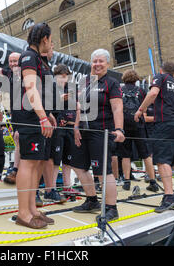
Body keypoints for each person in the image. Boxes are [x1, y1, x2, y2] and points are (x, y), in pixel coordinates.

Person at [71, 48, 125, 222]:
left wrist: (119, 129)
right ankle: (92, 200)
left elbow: (117, 107)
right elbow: (80, 106)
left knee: (103, 171)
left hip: (101, 131)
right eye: (94, 61)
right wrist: (76, 127)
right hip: (84, 131)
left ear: (108, 64)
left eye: (101, 61)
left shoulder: (112, 83)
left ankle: (111, 208)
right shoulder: (85, 81)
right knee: (79, 166)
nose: (97, 64)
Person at [14, 23, 57, 229]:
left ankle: (32, 209)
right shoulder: (29, 57)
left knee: (36, 163)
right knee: (28, 163)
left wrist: (48, 114)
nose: (51, 43)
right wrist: (42, 117)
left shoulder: (39, 59)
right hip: (29, 118)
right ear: (45, 39)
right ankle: (23, 213)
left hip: (37, 116)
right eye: (50, 39)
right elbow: (31, 88)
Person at [134, 61, 174, 213]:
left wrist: (140, 110)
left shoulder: (161, 77)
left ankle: (169, 196)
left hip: (164, 122)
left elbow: (152, 93)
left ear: (161, 69)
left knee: (162, 159)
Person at [119, 69, 158, 193]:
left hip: (124, 124)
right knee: (146, 154)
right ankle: (152, 181)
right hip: (138, 124)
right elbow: (145, 105)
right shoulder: (141, 91)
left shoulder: (119, 90)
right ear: (136, 79)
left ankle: (126, 181)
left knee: (125, 154)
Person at [45, 64, 77, 202]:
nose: (64, 80)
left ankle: (67, 185)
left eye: (66, 77)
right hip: (57, 127)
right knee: (55, 158)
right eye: (62, 77)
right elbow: (46, 107)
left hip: (70, 126)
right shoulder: (51, 88)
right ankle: (50, 188)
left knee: (68, 159)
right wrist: (60, 99)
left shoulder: (71, 89)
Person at [0, 52, 21, 185]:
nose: (13, 64)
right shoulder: (9, 74)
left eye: (16, 61)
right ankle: (16, 169)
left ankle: (17, 170)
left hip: (30, 114)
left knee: (20, 139)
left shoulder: (28, 74)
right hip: (16, 115)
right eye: (11, 61)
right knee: (17, 139)